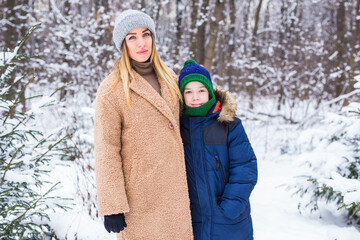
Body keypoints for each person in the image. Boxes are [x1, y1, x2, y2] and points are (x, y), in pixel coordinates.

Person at [94, 10, 193, 240]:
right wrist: (112, 205)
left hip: (176, 195)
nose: (141, 43)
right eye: (132, 37)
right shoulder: (111, 90)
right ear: (123, 44)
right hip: (140, 200)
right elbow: (106, 150)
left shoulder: (169, 78)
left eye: (146, 34)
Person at [178, 59, 258, 240]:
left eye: (201, 90)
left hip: (229, 221)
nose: (195, 97)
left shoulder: (229, 125)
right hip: (193, 222)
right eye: (188, 92)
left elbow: (245, 167)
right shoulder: (177, 128)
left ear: (210, 92)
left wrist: (231, 206)